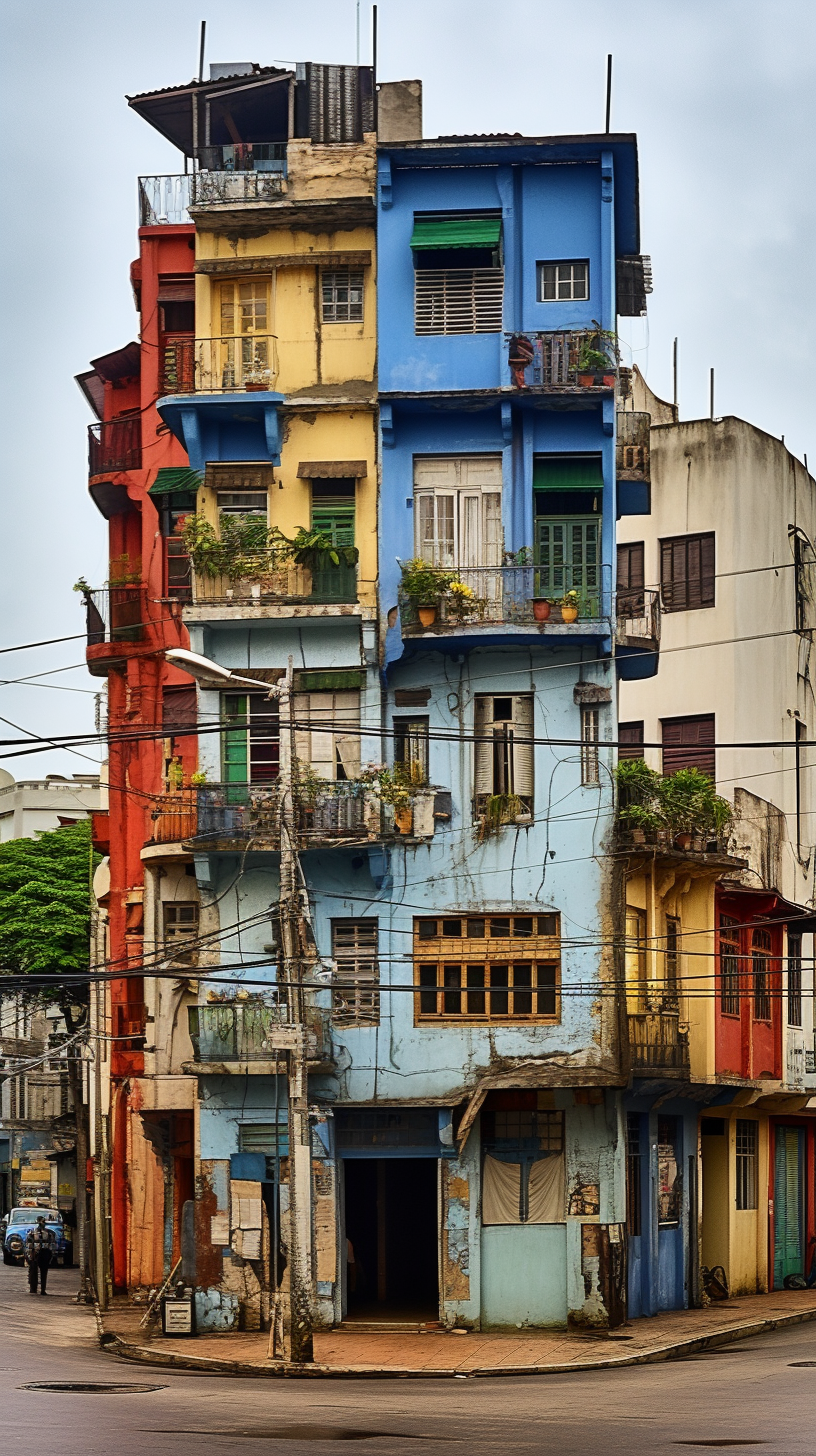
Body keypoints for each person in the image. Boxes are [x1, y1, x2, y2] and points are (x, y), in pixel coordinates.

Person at [25, 1215, 56, 1295]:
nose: (42, 1223)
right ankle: (33, 1288)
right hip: (35, 1252)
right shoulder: (32, 1232)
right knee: (33, 1271)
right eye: (40, 1221)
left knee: (44, 1271)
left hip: (45, 1252)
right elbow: (29, 1244)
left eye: (43, 1222)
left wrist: (51, 1253)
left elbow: (52, 1244)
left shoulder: (49, 1233)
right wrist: (30, 1254)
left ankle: (43, 1289)